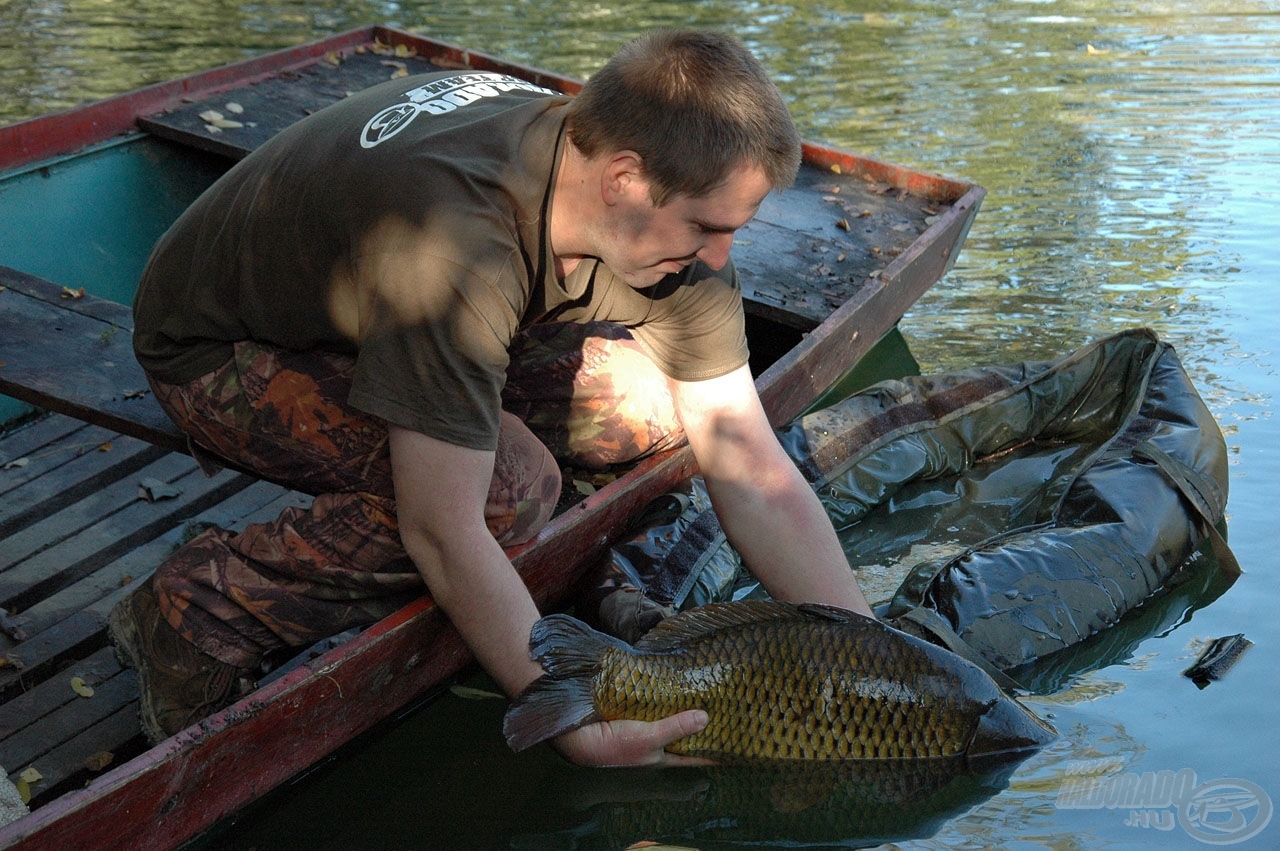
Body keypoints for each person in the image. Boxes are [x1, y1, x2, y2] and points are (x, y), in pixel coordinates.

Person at [109, 27, 873, 765]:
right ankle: (195, 609)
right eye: (707, 226)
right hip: (225, 346)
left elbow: (751, 468)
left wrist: (872, 657)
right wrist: (565, 712)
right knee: (507, 494)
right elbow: (442, 529)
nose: (722, 256)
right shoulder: (462, 237)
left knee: (659, 404)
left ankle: (501, 494)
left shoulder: (636, 210)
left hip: (397, 313)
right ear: (626, 180)